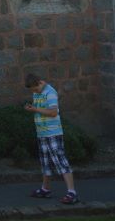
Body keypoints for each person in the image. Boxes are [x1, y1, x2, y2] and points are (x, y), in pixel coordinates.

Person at [24, 72, 78, 205]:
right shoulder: (37, 92)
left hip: (53, 133)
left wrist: (35, 109)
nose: (34, 92)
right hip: (42, 133)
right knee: (45, 163)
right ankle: (45, 189)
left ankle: (72, 193)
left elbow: (53, 112)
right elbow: (40, 108)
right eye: (32, 90)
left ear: (39, 83)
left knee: (61, 162)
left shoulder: (50, 92)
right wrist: (33, 108)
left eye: (35, 89)